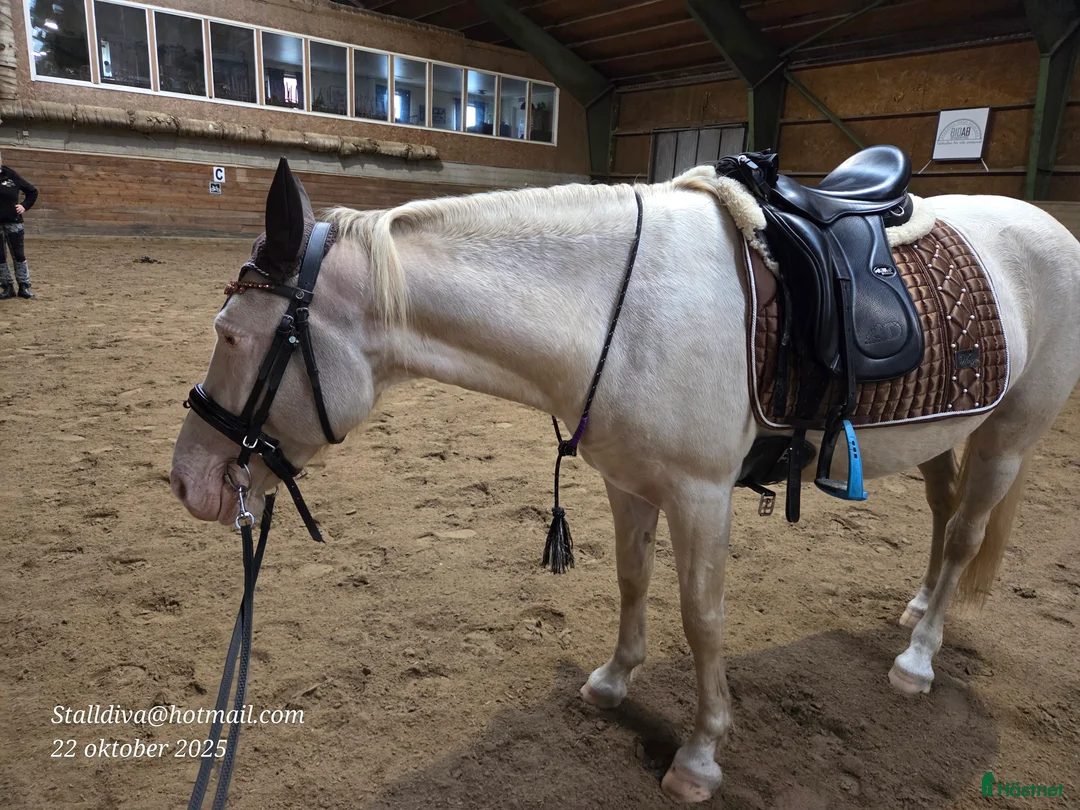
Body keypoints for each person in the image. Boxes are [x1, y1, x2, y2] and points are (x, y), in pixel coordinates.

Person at [0, 151, 38, 299]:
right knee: (0, 257)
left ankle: (24, 286)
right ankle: (7, 286)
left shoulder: (11, 175)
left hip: (13, 222)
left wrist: (24, 206)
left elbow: (32, 191)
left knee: (18, 255)